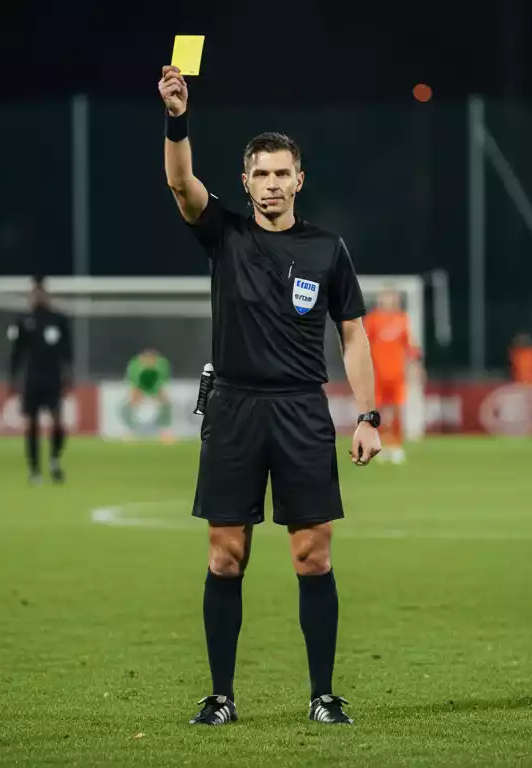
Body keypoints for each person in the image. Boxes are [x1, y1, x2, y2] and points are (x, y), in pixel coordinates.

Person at [160, 64, 381, 726]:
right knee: (226, 556)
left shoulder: (327, 250)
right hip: (232, 407)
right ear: (246, 182)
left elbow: (356, 338)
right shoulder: (224, 233)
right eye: (262, 173)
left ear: (299, 180)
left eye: (284, 172)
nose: (274, 183)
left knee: (312, 555)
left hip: (300, 409)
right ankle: (222, 696)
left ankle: (323, 695)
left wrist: (369, 415)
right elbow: (180, 182)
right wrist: (177, 118)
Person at [8, 278, 72, 484]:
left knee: (58, 422)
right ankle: (34, 470)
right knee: (31, 425)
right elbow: (16, 353)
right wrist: (12, 378)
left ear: (46, 295)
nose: (37, 297)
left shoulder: (59, 320)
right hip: (32, 380)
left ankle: (54, 461)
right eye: (34, 293)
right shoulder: (24, 320)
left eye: (40, 293)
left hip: (53, 379)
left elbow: (67, 352)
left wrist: (69, 376)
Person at [363, 289, 419, 464]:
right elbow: (364, 345)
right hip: (377, 373)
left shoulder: (402, 319)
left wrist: (415, 364)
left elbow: (409, 345)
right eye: (385, 297)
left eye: (391, 297)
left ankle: (396, 445)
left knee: (396, 409)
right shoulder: (372, 319)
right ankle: (377, 445)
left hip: (396, 374)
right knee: (377, 411)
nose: (388, 300)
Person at [125, 348, 174, 443]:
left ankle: (165, 432)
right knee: (128, 406)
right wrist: (136, 397)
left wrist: (160, 397)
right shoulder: (135, 365)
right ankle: (130, 432)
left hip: (155, 392)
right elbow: (134, 384)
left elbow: (162, 384)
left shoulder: (162, 365)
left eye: (151, 359)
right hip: (140, 392)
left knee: (167, 405)